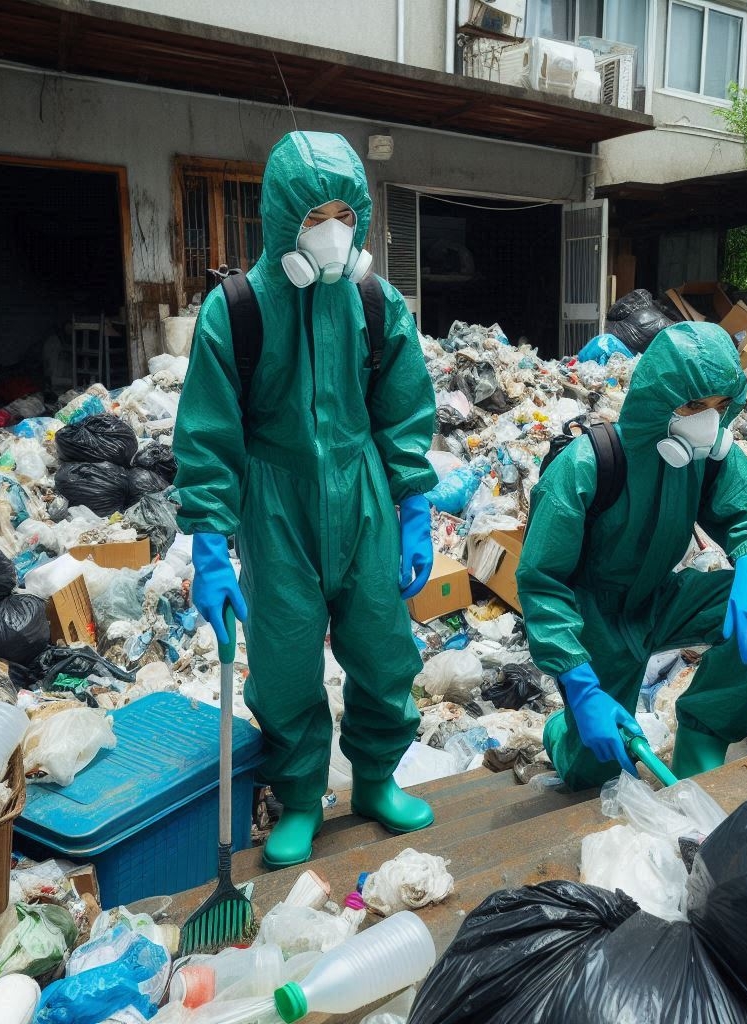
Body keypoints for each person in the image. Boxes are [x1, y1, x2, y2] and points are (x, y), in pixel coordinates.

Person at [173, 131, 439, 867]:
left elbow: (404, 410)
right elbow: (209, 431)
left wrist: (414, 507)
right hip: (275, 503)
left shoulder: (375, 301)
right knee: (285, 657)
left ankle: (376, 779)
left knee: (383, 647)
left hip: (364, 497)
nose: (332, 232)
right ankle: (298, 798)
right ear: (282, 216)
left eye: (346, 216)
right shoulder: (237, 309)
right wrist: (209, 544)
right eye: (315, 215)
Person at [516, 321, 747, 786]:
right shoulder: (586, 465)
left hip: (657, 598)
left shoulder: (705, 456)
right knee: (598, 770)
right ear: (656, 399)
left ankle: (704, 734)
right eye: (693, 406)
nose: (707, 421)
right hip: (595, 620)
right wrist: (580, 687)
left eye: (719, 406)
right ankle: (561, 732)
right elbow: (542, 583)